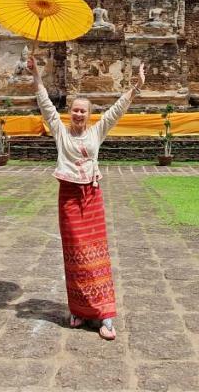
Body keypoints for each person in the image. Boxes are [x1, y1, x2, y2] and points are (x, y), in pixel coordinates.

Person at [28, 54, 144, 341]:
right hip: (68, 196)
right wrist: (36, 75)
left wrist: (137, 87)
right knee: (74, 255)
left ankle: (105, 315)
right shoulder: (60, 132)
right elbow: (45, 105)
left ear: (89, 115)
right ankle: (79, 309)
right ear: (69, 113)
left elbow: (117, 110)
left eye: (83, 111)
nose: (79, 114)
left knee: (96, 255)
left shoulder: (96, 132)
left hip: (91, 195)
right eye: (75, 110)